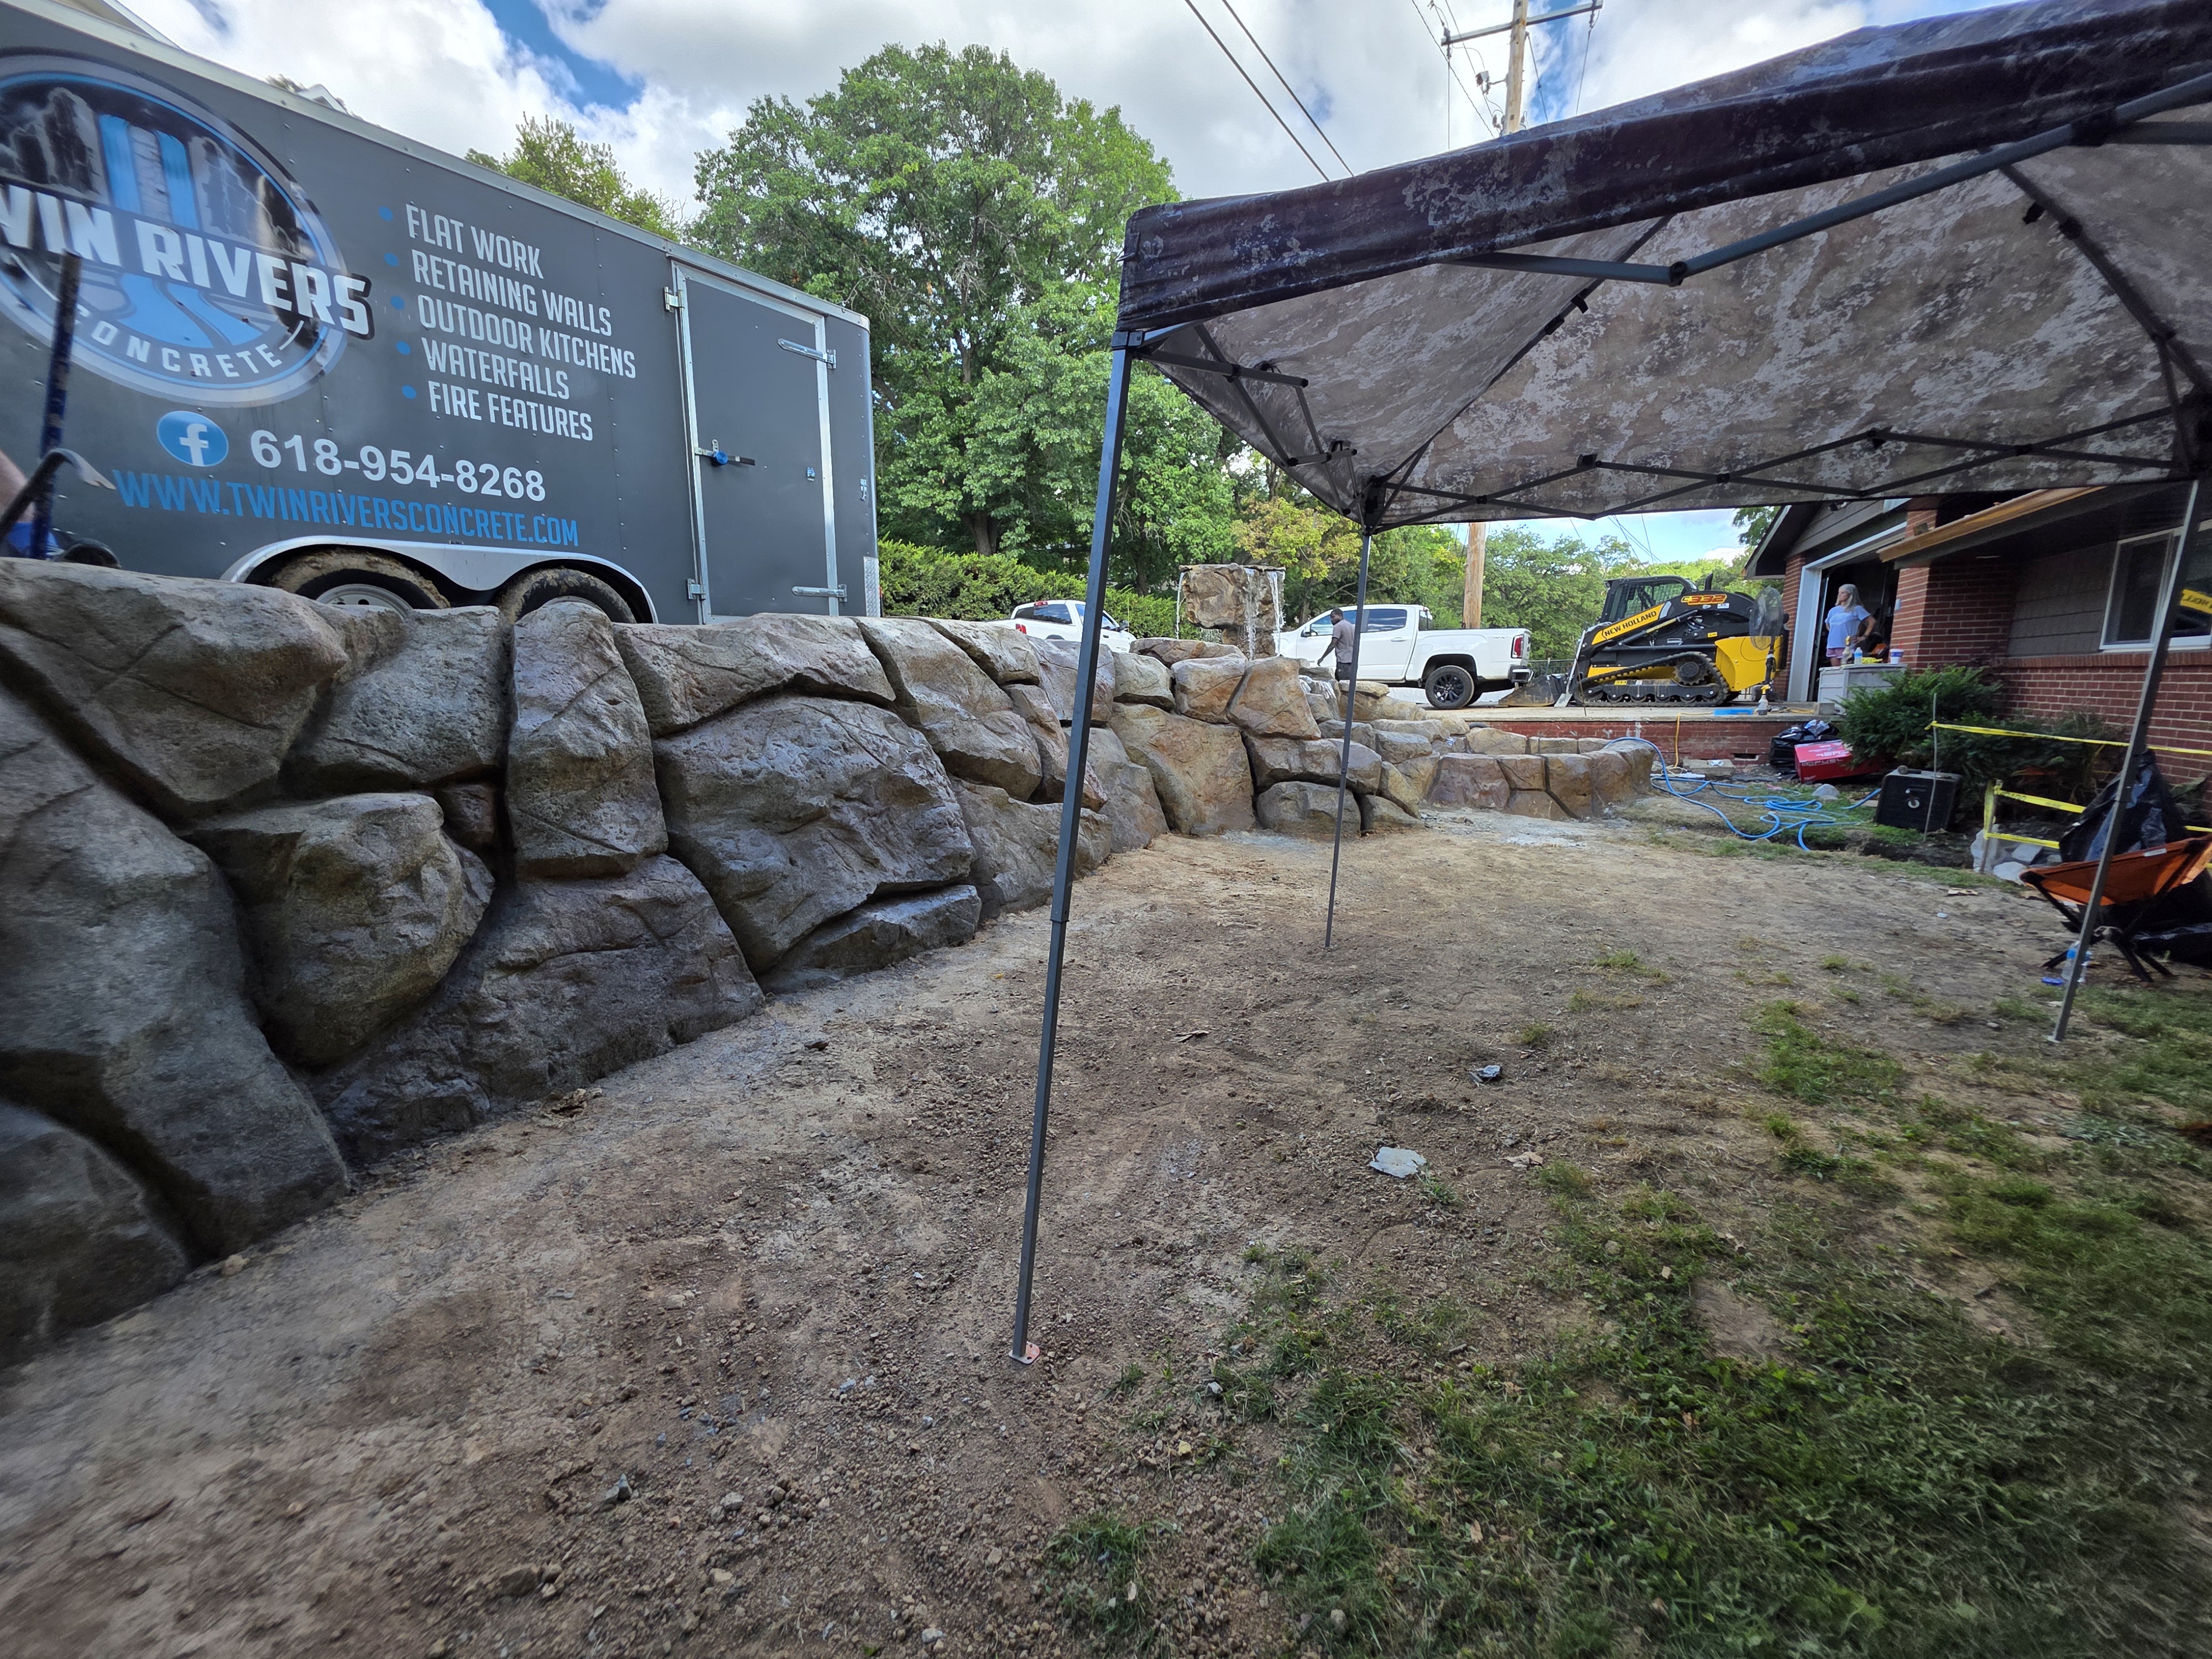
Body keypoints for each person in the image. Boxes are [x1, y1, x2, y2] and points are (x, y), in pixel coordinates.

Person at [1824, 583, 1871, 665]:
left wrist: (1863, 637)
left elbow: (1872, 622)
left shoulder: (1857, 609)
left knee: (1845, 671)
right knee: (1835, 672)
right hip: (1832, 644)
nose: (1840, 595)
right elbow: (1828, 624)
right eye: (1839, 592)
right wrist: (1835, 632)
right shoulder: (1833, 610)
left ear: (1850, 594)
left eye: (1843, 593)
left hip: (1847, 646)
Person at [1323, 606, 1359, 684]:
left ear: (1340, 615)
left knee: (1342, 685)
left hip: (1343, 661)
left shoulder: (1338, 626)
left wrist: (1323, 657)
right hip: (1352, 661)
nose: (1332, 620)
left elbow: (1334, 643)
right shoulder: (1350, 625)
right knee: (1348, 684)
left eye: (1333, 617)